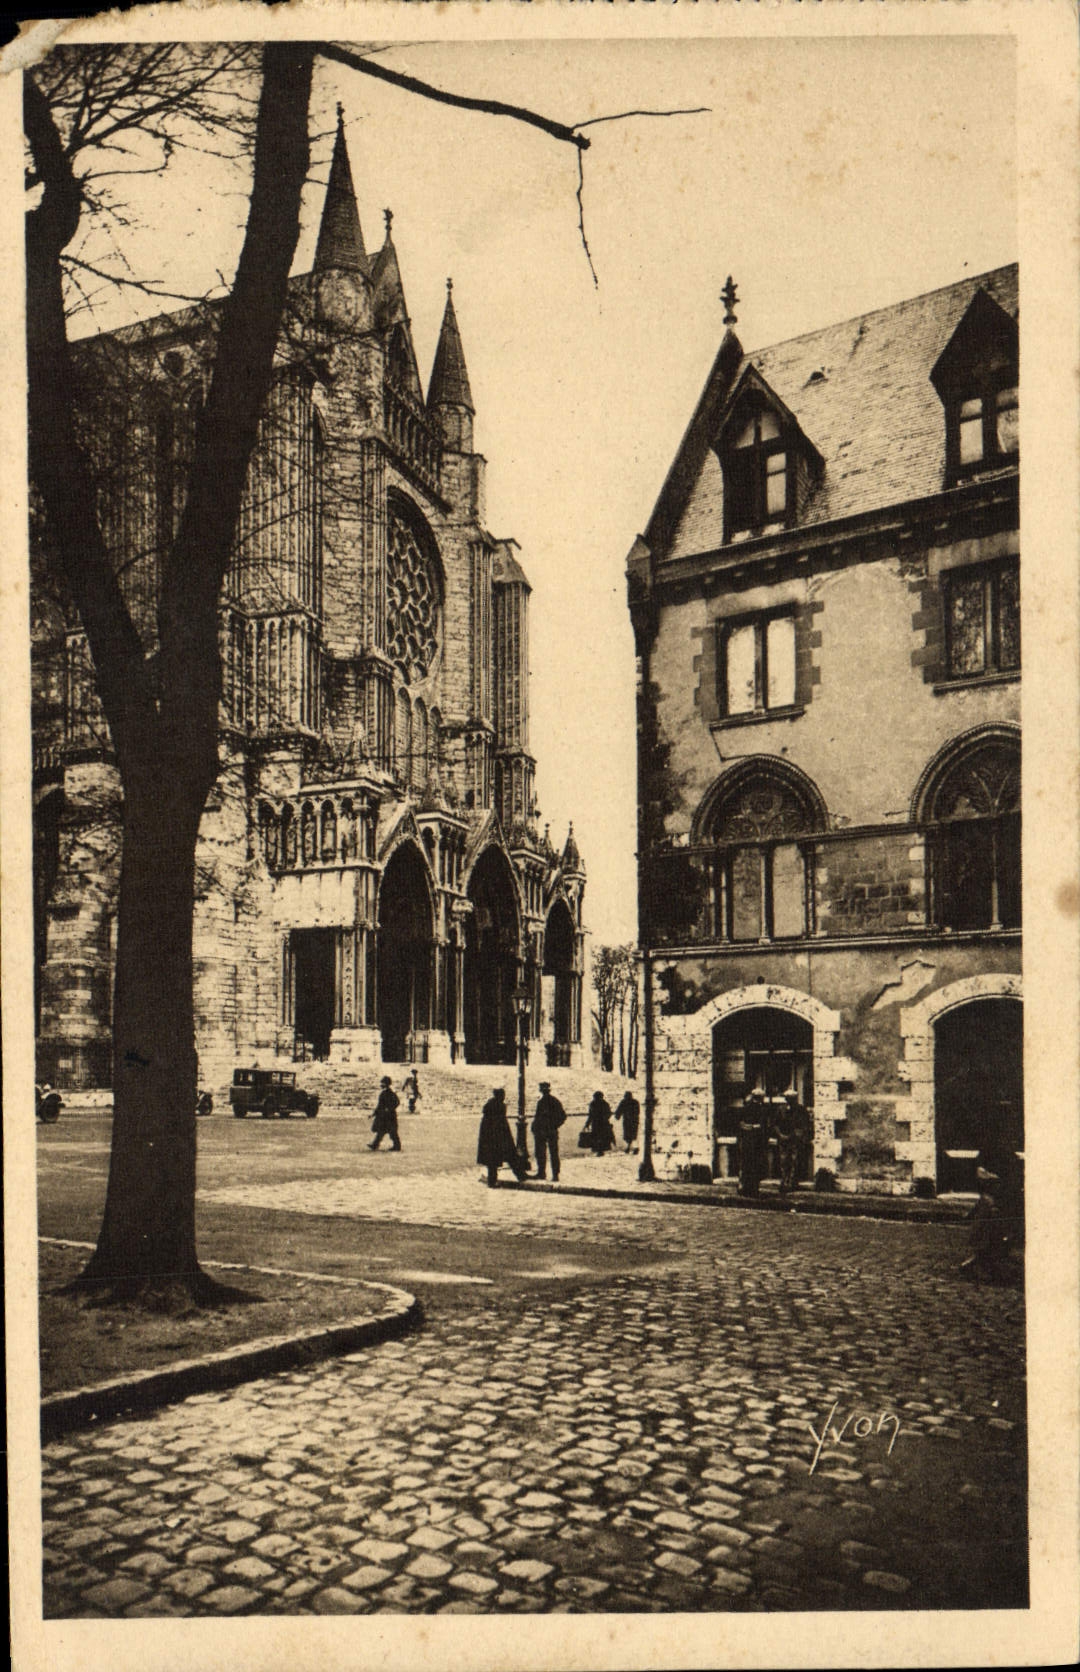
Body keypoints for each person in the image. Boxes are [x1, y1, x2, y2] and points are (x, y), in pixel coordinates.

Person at [477, 1087, 528, 1186]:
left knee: (493, 1162)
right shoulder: (499, 1107)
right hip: (500, 1138)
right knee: (510, 1157)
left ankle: (493, 1181)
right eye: (503, 1095)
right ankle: (520, 1176)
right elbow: (501, 1124)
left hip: (492, 1139)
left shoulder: (490, 1106)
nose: (504, 1097)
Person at [532, 1081, 566, 1182]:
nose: (542, 1091)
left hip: (548, 1131)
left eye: (542, 1089)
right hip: (545, 1131)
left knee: (548, 1153)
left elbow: (562, 1116)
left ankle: (550, 1174)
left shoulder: (551, 1101)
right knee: (545, 1153)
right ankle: (545, 1173)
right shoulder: (550, 1101)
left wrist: (554, 1125)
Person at [738, 1090, 767, 1197]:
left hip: (746, 1140)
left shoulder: (746, 1107)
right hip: (756, 1141)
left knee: (746, 1164)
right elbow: (762, 1125)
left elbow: (741, 1124)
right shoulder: (761, 1109)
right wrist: (753, 1127)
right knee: (754, 1165)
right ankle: (753, 1189)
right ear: (760, 1097)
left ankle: (745, 1187)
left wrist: (747, 1127)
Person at [772, 1092, 802, 1195]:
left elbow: (802, 1125)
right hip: (783, 1139)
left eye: (792, 1099)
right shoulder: (781, 1109)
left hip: (794, 1140)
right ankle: (784, 1181)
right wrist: (780, 1134)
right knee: (784, 1160)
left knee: (794, 1160)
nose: (789, 1100)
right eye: (788, 1098)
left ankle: (792, 1182)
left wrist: (794, 1135)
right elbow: (775, 1124)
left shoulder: (800, 1109)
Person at [369, 1076, 402, 1151]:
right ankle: (375, 1145)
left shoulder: (390, 1093)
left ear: (386, 1084)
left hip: (390, 1116)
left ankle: (397, 1146)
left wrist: (389, 1109)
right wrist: (373, 1114)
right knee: (382, 1131)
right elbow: (379, 1105)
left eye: (382, 1083)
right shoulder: (384, 1093)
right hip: (384, 1116)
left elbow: (397, 1102)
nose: (381, 1084)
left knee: (392, 1132)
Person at [582, 1090, 616, 1155]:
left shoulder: (593, 1104)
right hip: (603, 1123)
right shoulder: (605, 1103)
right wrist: (605, 1118)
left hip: (596, 1123)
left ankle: (599, 1151)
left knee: (597, 1137)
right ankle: (601, 1150)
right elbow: (609, 1113)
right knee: (602, 1137)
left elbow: (590, 1115)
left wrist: (587, 1124)